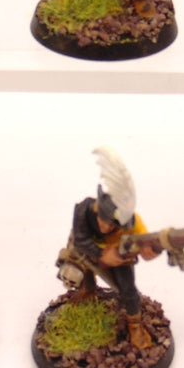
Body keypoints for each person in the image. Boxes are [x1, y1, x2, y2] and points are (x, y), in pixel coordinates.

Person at [54, 147, 161, 349]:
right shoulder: (84, 210)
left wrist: (151, 250)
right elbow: (80, 239)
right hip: (88, 251)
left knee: (128, 291)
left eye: (112, 225)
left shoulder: (133, 223)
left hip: (118, 257)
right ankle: (88, 289)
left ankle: (135, 326)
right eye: (104, 221)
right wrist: (101, 254)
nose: (106, 227)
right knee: (75, 267)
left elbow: (146, 246)